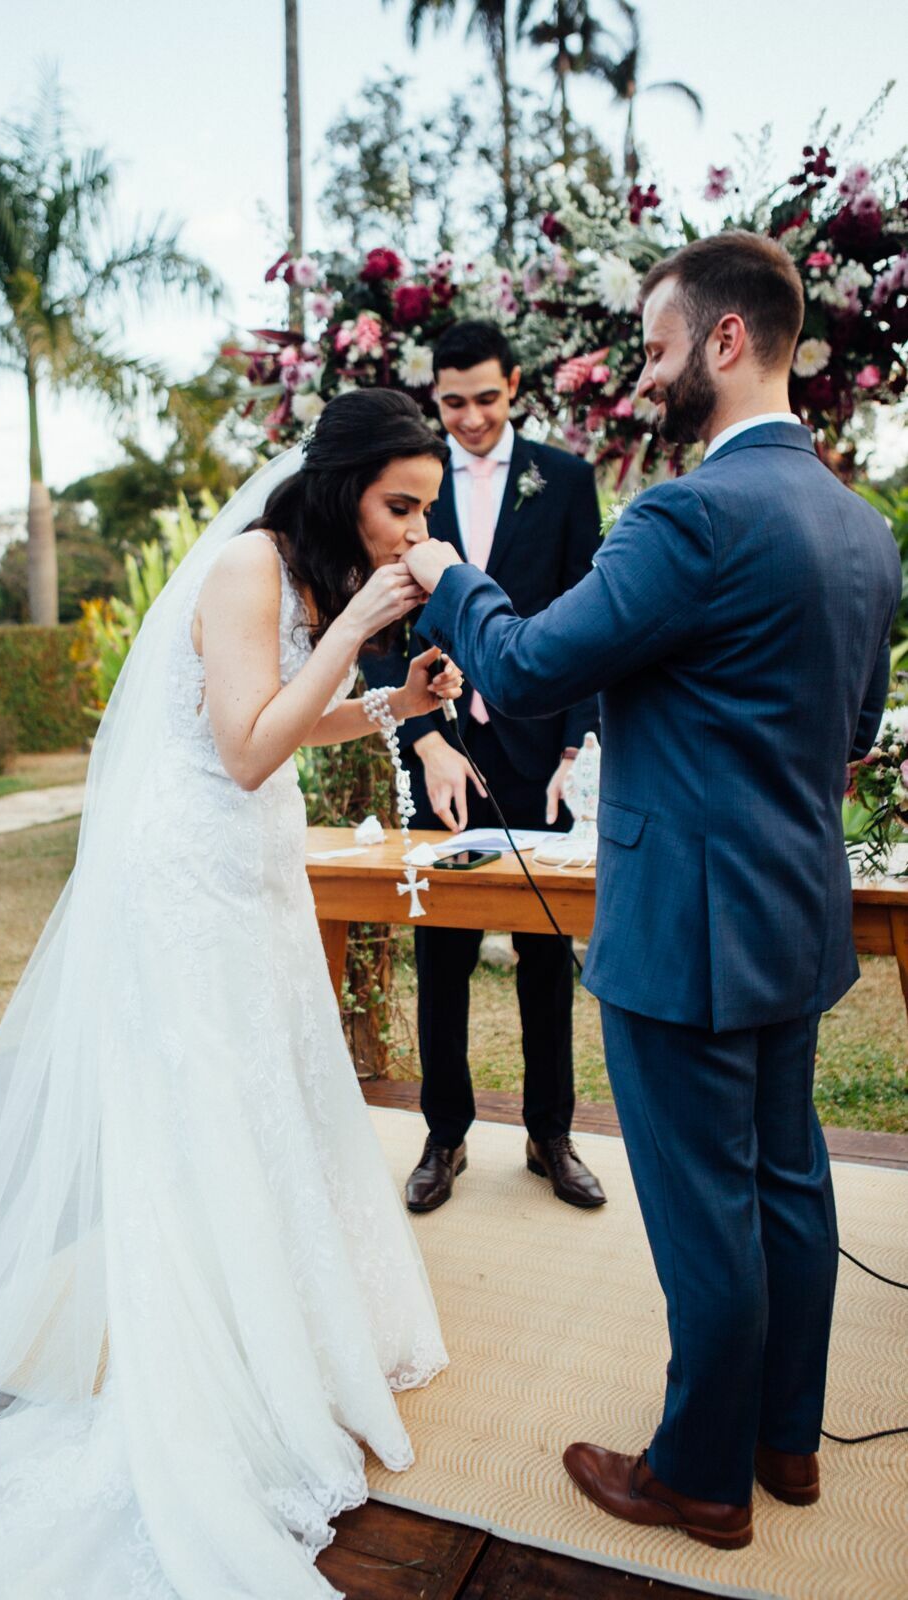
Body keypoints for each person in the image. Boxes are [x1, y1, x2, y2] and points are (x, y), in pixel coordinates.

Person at [0, 390, 462, 1600]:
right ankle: (217, 1370)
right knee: (209, 1116)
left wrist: (397, 701)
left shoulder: (308, 580)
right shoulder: (245, 567)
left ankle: (288, 1331)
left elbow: (286, 725)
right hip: (188, 876)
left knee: (275, 1097)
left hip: (255, 867)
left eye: (423, 512)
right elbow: (237, 749)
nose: (408, 532)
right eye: (398, 506)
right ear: (340, 487)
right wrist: (364, 628)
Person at [402, 233, 900, 1550]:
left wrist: (447, 581)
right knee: (786, 1182)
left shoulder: (689, 513)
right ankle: (782, 1440)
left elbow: (517, 666)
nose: (645, 369)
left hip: (682, 928)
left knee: (699, 1214)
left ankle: (694, 1474)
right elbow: (846, 732)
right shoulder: (859, 531)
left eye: (659, 342)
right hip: (793, 914)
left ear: (724, 341)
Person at [362, 321, 606, 1216]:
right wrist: (422, 741)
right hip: (444, 749)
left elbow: (594, 612)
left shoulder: (565, 480)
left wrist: (576, 746)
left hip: (540, 751)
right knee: (442, 948)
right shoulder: (407, 489)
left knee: (546, 950)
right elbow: (381, 624)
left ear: (514, 389)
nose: (467, 418)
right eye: (451, 401)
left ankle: (551, 1135)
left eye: (485, 399)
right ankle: (443, 1135)